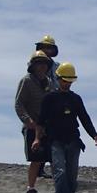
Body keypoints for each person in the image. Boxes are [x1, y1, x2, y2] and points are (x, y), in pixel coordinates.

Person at [32, 62, 97, 193]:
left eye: (70, 81)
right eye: (64, 80)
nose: (67, 84)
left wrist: (94, 134)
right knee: (60, 172)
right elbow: (41, 121)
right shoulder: (49, 98)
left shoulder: (76, 99)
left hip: (73, 141)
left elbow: (84, 118)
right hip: (55, 140)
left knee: (71, 175)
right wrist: (37, 139)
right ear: (58, 79)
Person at [14, 51, 53, 193]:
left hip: (48, 127)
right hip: (32, 127)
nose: (42, 66)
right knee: (36, 159)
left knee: (52, 158)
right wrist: (28, 121)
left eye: (45, 63)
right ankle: (31, 188)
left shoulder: (49, 82)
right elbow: (19, 104)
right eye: (39, 63)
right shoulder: (26, 81)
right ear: (33, 65)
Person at [34, 35, 60, 179]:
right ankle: (39, 167)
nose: (46, 50)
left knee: (52, 136)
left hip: (54, 105)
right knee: (40, 136)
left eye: (48, 47)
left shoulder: (57, 67)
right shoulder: (33, 65)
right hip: (39, 106)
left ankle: (52, 167)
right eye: (44, 47)